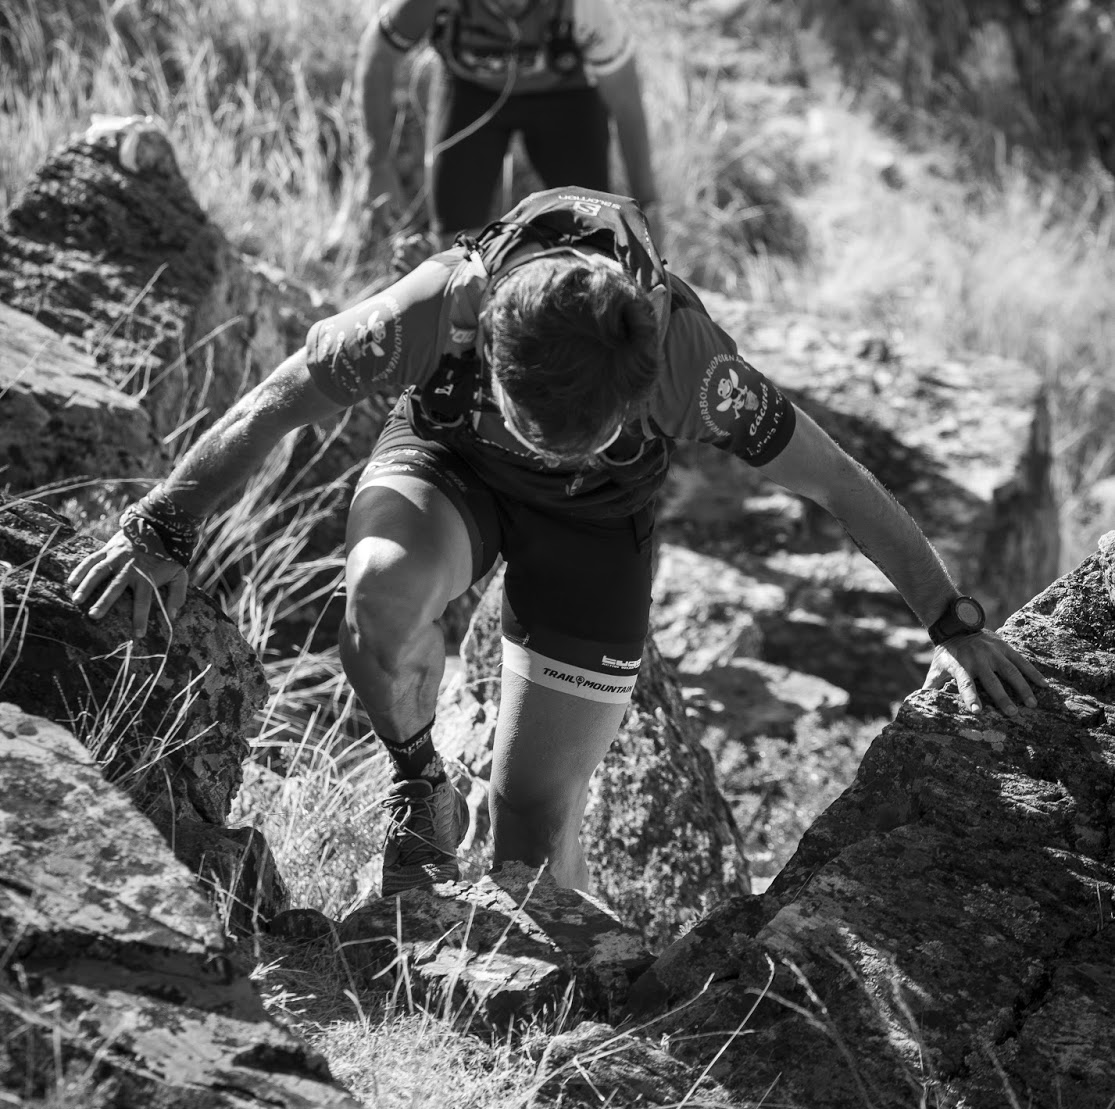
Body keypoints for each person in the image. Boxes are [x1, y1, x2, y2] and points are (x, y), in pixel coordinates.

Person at [68, 187, 1047, 898]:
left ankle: (555, 1017)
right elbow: (282, 398)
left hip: (594, 526)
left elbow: (835, 481)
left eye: (593, 433)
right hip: (451, 464)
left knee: (530, 839)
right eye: (539, 427)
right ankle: (418, 783)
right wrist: (161, 524)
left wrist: (951, 620)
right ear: (488, 346)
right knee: (381, 589)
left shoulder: (686, 359)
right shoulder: (433, 309)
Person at [351, 0, 661, 248]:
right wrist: (377, 165)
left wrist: (649, 207)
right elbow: (379, 51)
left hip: (566, 101)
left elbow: (626, 102)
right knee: (457, 245)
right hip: (471, 95)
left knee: (594, 240)